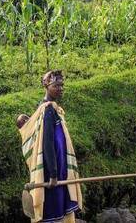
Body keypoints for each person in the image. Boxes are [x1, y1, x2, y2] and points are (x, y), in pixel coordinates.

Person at [17, 70, 83, 222]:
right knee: (53, 209)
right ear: (47, 86)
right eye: (56, 85)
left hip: (59, 167)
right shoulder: (47, 111)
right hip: (52, 170)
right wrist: (53, 174)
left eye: (62, 85)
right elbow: (47, 143)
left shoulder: (53, 109)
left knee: (59, 205)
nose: (60, 88)